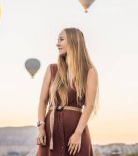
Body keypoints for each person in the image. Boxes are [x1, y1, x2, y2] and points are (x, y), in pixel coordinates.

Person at [36, 28, 99, 156]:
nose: (57, 43)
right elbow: (42, 101)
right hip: (50, 131)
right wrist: (41, 127)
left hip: (76, 131)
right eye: (57, 40)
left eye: (61, 39)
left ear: (74, 41)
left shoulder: (89, 71)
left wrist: (77, 134)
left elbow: (89, 106)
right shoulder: (52, 69)